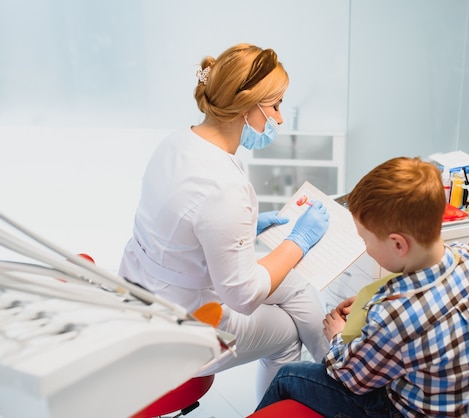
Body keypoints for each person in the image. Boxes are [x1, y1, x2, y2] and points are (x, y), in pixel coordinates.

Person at [118, 43, 330, 398]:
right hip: (186, 325)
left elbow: (186, 219)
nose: (278, 118)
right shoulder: (223, 188)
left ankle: (336, 372)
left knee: (298, 289)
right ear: (247, 109)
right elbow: (243, 295)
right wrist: (298, 242)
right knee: (288, 334)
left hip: (144, 288)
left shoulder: (177, 142)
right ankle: (334, 384)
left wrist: (244, 228)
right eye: (275, 106)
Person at [255, 157, 469, 417]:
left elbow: (349, 377)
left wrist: (337, 335)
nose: (365, 248)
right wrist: (374, 301)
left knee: (288, 376)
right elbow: (431, 296)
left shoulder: (394, 316)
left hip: (407, 410)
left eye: (365, 240)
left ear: (398, 244)